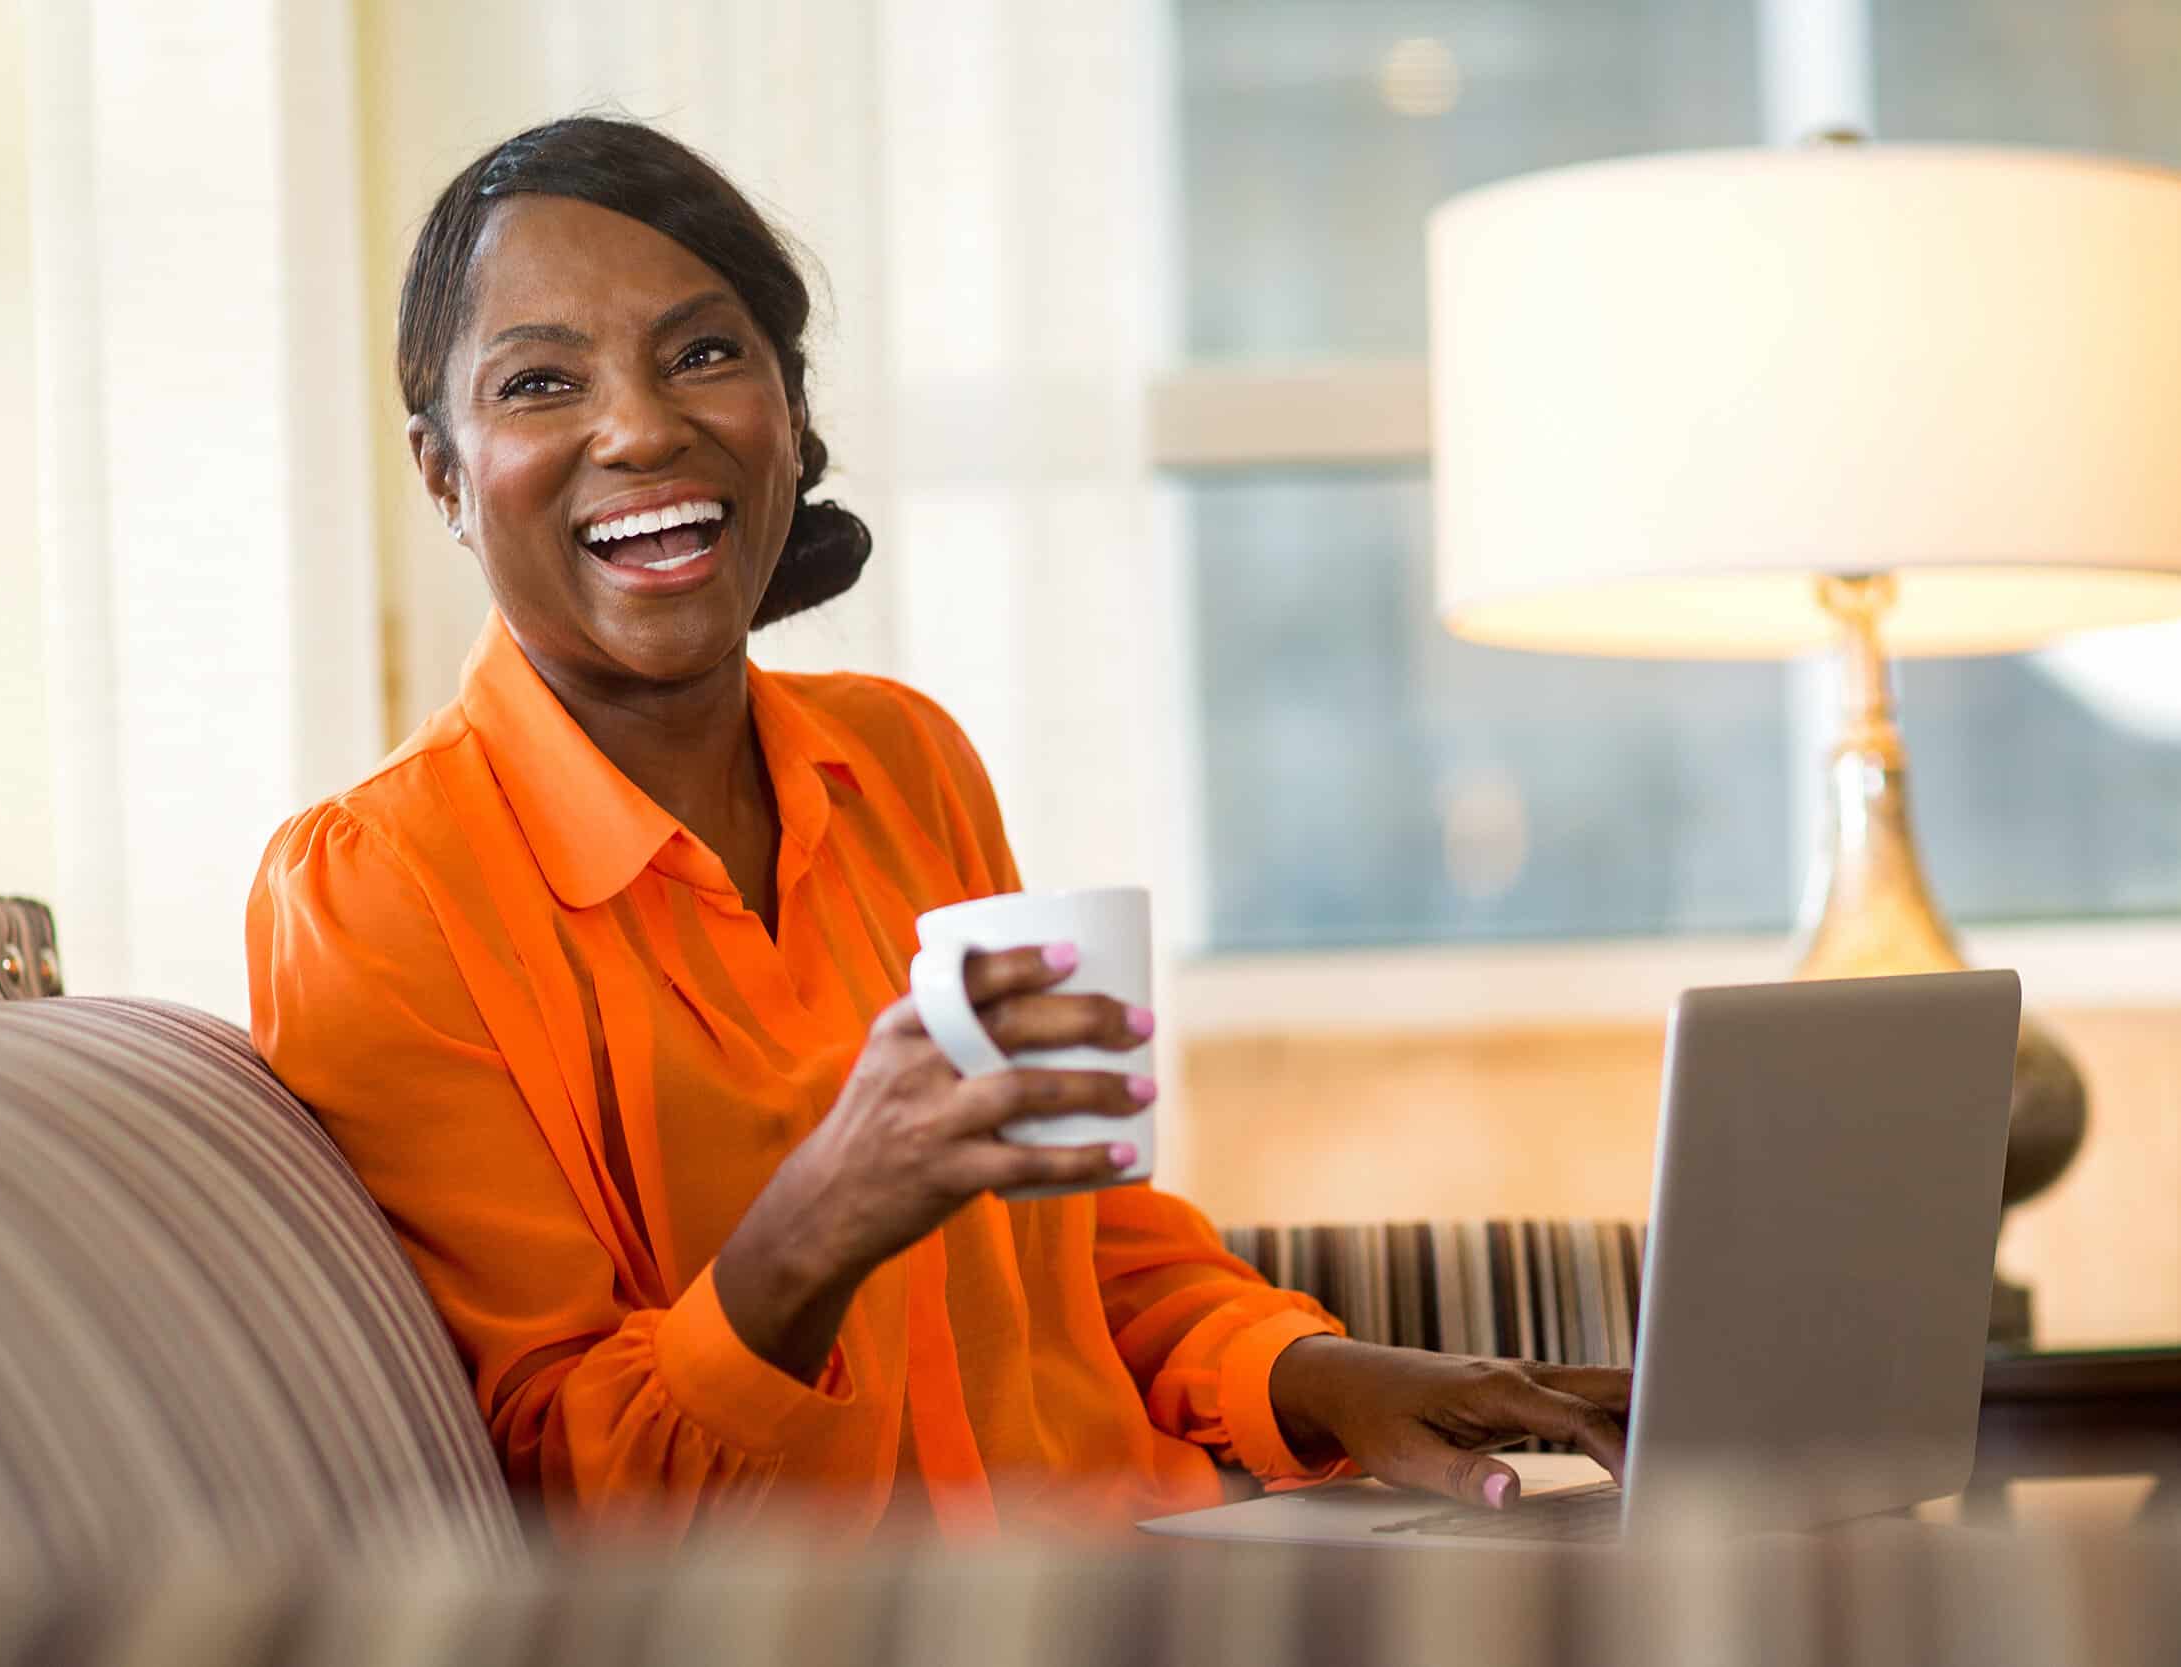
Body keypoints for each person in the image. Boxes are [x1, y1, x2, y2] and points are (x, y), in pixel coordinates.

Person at [247, 116, 1626, 1544]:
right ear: (442, 472)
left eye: (706, 354)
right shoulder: (381, 888)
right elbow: (568, 1486)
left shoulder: (902, 761)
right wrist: (823, 1219)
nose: (644, 426)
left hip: (1156, 1568)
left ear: (791, 412)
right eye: (540, 382)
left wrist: (1323, 1378)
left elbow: (1084, 1242)